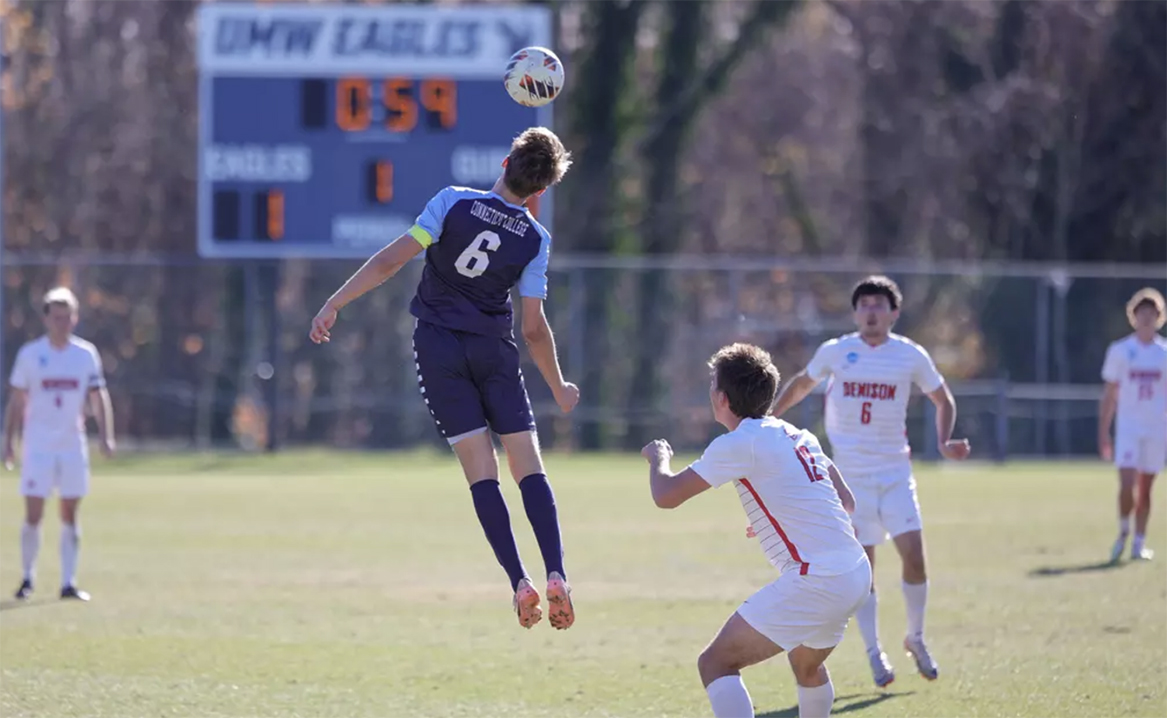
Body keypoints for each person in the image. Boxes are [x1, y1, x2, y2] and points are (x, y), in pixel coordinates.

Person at [309, 128, 579, 630]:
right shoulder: (535, 239)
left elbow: (391, 260)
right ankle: (557, 571)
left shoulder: (453, 202)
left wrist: (334, 303)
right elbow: (535, 328)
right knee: (528, 466)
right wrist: (559, 387)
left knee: (482, 472)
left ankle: (520, 581)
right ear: (540, 191)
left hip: (438, 350)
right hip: (494, 354)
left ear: (504, 162)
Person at [640, 343, 869, 718]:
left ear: (722, 398)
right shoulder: (797, 434)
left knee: (716, 663)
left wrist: (658, 458)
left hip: (819, 580)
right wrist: (786, 516)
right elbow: (846, 502)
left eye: (713, 383)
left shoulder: (738, 443)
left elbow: (666, 496)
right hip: (856, 572)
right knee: (806, 664)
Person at [770, 275, 970, 687]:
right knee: (865, 569)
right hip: (850, 479)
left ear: (894, 313)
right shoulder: (837, 352)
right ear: (856, 313)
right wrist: (769, 419)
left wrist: (945, 439)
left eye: (879, 305)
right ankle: (873, 651)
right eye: (864, 305)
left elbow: (942, 398)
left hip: (896, 474)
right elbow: (803, 384)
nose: (871, 312)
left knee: (915, 557)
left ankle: (915, 637)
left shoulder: (909, 355)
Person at [4, 287, 115, 602]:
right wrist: (8, 441)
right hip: (38, 445)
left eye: (67, 317)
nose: (62, 323)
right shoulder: (30, 355)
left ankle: (68, 582)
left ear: (75, 319)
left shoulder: (85, 355)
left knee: (70, 510)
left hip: (71, 444)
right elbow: (16, 400)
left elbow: (98, 395)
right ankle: (27, 579)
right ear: (46, 319)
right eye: (56, 318)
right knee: (34, 512)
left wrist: (107, 434)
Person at [1099, 287, 1167, 562]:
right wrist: (1103, 431)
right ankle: (1123, 532)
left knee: (1147, 487)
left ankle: (1140, 542)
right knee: (1127, 484)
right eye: (1142, 313)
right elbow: (1110, 394)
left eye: (1151, 313)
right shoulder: (1120, 351)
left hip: (1155, 429)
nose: (1146, 318)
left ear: (1158, 317)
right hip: (1128, 427)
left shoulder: (1163, 354)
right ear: (1134, 317)